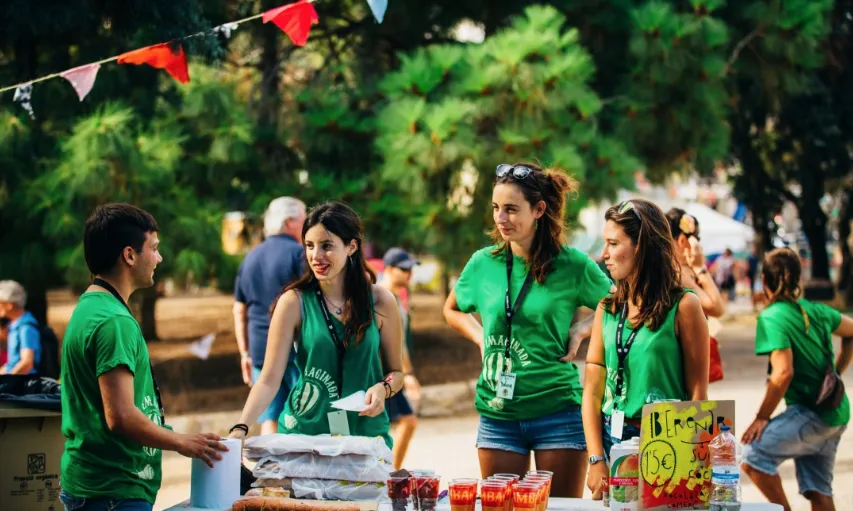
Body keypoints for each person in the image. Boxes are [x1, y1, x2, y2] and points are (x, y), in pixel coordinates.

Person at [443, 163, 612, 497]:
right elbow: (451, 309)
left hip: (557, 410)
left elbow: (618, 305)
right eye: (496, 208)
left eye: (511, 209)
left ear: (538, 210)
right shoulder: (482, 263)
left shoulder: (573, 264)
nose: (501, 218)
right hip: (497, 414)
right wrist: (480, 337)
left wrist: (581, 330)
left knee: (561, 509)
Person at [60, 203, 227, 511]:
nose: (159, 258)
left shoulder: (91, 306)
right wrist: (183, 443)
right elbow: (121, 417)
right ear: (129, 255)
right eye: (154, 248)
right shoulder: (113, 321)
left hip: (101, 488)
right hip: (112, 492)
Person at [228, 201, 405, 448]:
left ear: (351, 246)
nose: (316, 256)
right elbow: (268, 379)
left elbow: (396, 373)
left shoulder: (381, 301)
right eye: (309, 246)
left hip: (366, 437)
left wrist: (382, 389)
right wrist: (241, 427)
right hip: (304, 438)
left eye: (326, 246)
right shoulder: (293, 302)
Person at [582, 199, 710, 498]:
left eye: (614, 243)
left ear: (642, 245)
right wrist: (596, 458)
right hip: (611, 438)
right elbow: (591, 391)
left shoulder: (685, 306)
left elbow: (698, 395)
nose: (605, 255)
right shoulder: (608, 308)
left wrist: (689, 465)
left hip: (667, 437)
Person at [740, 248, 853, 511]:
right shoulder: (815, 309)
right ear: (798, 278)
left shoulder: (771, 316)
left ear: (765, 282)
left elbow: (783, 373)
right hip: (835, 413)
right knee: (818, 490)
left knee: (753, 456)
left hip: (812, 415)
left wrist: (761, 417)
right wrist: (835, 373)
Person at [234, 196, 307, 435]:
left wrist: (244, 352)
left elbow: (239, 308)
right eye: (304, 218)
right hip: (294, 349)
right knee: (304, 413)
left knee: (270, 417)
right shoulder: (299, 254)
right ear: (290, 222)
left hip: (259, 349)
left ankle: (271, 470)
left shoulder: (250, 258)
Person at [380, 247, 422, 469]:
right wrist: (408, 374)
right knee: (404, 421)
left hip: (392, 373)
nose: (409, 274)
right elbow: (392, 342)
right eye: (404, 269)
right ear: (388, 269)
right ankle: (387, 473)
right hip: (382, 374)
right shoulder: (381, 298)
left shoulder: (394, 299)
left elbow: (400, 342)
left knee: (395, 424)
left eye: (410, 269)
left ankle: (387, 472)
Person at [665, 208, 726, 317]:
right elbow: (717, 309)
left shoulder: (670, 269)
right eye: (697, 238)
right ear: (683, 240)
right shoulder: (678, 274)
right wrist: (699, 268)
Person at [0, 280, 42, 375]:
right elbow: (12, 363)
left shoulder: (26, 327)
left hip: (24, 385)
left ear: (9, 305)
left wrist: (7, 382)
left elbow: (27, 363)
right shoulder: (14, 325)